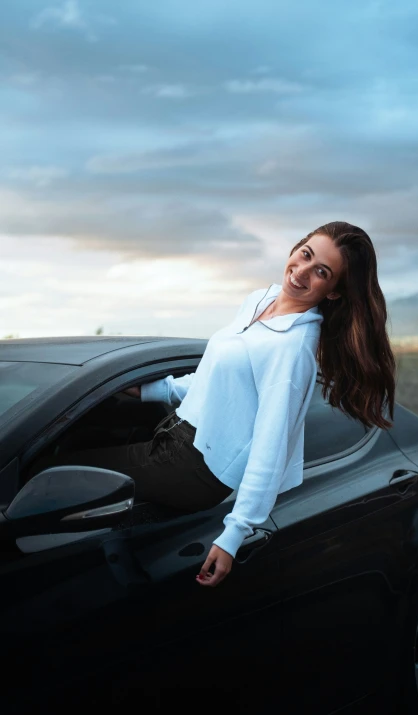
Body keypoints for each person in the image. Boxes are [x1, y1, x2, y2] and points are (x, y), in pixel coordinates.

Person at [24, 221, 396, 588]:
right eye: (305, 255)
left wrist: (233, 535)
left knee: (56, 473)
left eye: (320, 272)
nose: (301, 272)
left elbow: (271, 443)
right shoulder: (260, 300)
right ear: (295, 249)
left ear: (333, 292)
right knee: (70, 444)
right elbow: (217, 377)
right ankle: (117, 568)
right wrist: (157, 391)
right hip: (176, 436)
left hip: (197, 468)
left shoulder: (293, 349)